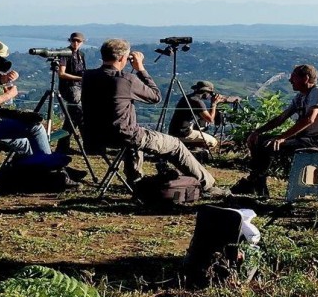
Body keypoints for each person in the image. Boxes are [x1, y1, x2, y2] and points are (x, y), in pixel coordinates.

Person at [80, 38, 229, 197]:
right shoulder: (125, 79)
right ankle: (209, 185)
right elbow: (155, 96)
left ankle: (136, 183)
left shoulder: (88, 76)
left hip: (94, 136)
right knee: (175, 145)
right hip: (124, 135)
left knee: (132, 142)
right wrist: (140, 69)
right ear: (123, 58)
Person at [231, 64, 318, 196]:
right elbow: (281, 118)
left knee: (270, 145)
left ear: (306, 78)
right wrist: (257, 132)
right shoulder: (301, 97)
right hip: (309, 138)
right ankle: (255, 181)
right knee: (259, 141)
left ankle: (256, 184)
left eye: (293, 78)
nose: (290, 81)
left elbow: (309, 119)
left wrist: (282, 137)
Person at [0, 37, 52, 158]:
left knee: (25, 143)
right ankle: (49, 167)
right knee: (36, 128)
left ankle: (38, 169)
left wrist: (4, 79)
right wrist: (6, 96)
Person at [168, 81, 227, 148]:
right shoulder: (197, 102)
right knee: (213, 142)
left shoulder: (187, 97)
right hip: (183, 133)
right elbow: (210, 119)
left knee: (202, 123)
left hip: (174, 130)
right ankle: (188, 148)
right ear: (206, 92)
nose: (210, 96)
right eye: (210, 93)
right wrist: (214, 104)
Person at [55, 31, 87, 154]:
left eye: (78, 41)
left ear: (82, 42)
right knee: (79, 115)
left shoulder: (81, 54)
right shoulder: (65, 53)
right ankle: (87, 144)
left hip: (79, 87)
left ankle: (63, 146)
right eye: (73, 40)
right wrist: (78, 78)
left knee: (72, 119)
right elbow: (61, 74)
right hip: (69, 88)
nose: (75, 43)